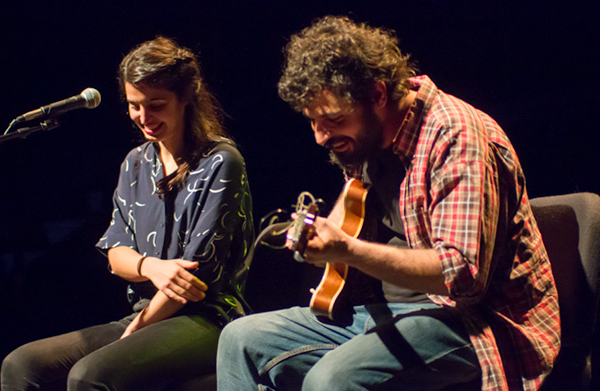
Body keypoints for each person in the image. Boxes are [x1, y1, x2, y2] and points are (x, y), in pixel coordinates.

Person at [217, 16, 559, 391]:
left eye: (332, 119)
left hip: (472, 321)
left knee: (330, 380)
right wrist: (320, 240)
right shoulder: (368, 139)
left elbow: (461, 276)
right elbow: (351, 212)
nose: (319, 137)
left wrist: (348, 249)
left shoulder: (456, 137)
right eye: (312, 121)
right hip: (379, 312)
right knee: (240, 339)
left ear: (378, 95)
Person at [1, 36, 254, 391]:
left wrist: (141, 324)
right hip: (144, 312)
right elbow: (115, 254)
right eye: (135, 106)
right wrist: (150, 266)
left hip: (207, 319)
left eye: (156, 105)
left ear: (187, 97)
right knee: (21, 364)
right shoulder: (136, 163)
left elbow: (193, 280)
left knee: (90, 375)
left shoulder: (221, 161)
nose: (144, 117)